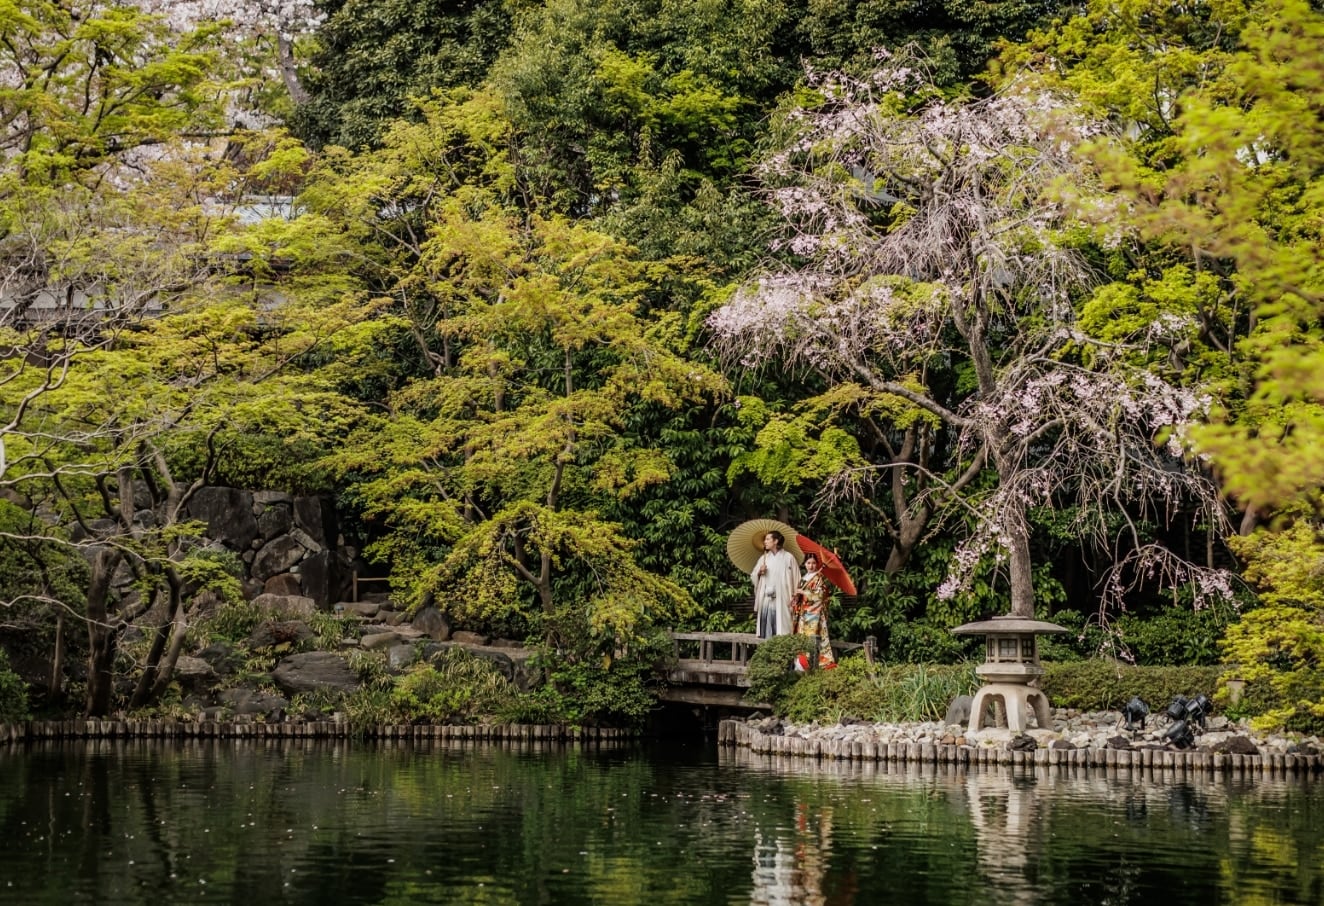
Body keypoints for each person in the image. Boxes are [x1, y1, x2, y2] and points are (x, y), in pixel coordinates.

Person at [792, 553, 836, 669]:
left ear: (817, 564)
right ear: (805, 564)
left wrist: (804, 593)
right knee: (801, 637)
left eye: (814, 563)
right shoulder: (804, 578)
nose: (811, 566)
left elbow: (820, 596)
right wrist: (796, 598)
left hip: (814, 615)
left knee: (813, 638)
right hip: (802, 614)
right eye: (808, 563)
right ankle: (801, 664)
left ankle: (815, 664)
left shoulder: (819, 578)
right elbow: (799, 597)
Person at [752, 530, 799, 638]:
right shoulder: (764, 558)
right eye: (765, 539)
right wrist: (759, 572)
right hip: (766, 597)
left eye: (768, 539)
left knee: (784, 626)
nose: (765, 542)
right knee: (766, 625)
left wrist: (795, 596)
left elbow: (796, 577)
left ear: (776, 541)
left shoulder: (789, 557)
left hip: (783, 597)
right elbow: (753, 575)